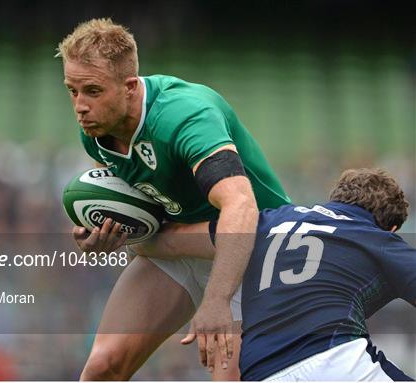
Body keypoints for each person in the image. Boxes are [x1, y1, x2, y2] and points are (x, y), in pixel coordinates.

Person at [56, 18, 291, 380]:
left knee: (227, 376)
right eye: (72, 91)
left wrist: (216, 299)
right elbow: (145, 202)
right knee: (102, 368)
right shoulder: (97, 132)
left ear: (130, 87)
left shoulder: (186, 117)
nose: (80, 106)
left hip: (248, 252)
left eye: (92, 91)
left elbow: (242, 206)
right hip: (182, 244)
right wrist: (106, 231)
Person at [135, 168, 415, 380]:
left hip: (261, 373)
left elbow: (170, 241)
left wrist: (110, 237)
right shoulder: (375, 238)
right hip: (335, 362)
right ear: (389, 228)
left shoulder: (268, 220)